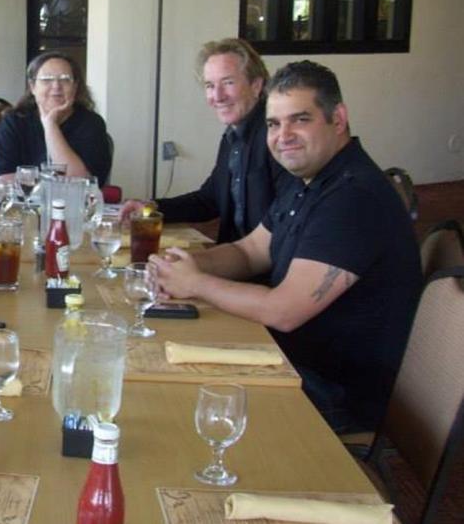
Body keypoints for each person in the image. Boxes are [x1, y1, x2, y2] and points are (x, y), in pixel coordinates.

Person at [149, 61, 422, 434]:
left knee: (170, 404)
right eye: (274, 124)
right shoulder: (308, 178)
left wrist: (196, 284)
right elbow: (250, 251)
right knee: (161, 356)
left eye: (300, 119)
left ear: (338, 118)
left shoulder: (353, 197)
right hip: (292, 356)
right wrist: (184, 265)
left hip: (333, 390)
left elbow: (284, 311)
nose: (283, 135)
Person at [122, 38, 291, 244]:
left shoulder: (277, 137)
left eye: (228, 82)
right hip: (237, 259)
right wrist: (150, 208)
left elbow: (285, 228)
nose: (217, 96)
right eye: (210, 85)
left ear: (256, 85)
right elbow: (208, 200)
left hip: (264, 269)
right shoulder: (232, 137)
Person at [0, 50, 111, 186]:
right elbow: (1, 180)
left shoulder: (91, 123)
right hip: (22, 204)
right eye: (47, 80)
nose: (56, 86)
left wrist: (50, 126)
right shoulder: (14, 122)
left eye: (64, 79)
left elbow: (79, 182)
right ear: (33, 87)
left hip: (73, 205)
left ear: (75, 87)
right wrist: (53, 179)